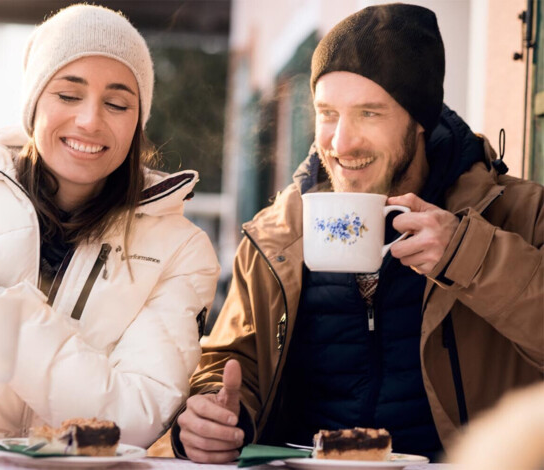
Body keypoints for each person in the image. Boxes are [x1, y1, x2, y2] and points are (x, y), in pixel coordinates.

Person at [172, 3, 543, 463]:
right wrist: (217, 416)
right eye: (327, 113)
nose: (340, 142)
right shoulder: (276, 236)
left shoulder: (520, 214)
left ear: (421, 118)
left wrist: (471, 255)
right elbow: (231, 364)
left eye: (368, 113)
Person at [0, 4, 220, 447]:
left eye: (117, 103)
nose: (89, 120)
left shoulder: (180, 250)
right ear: (33, 104)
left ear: (137, 122)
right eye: (68, 95)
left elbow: (135, 420)